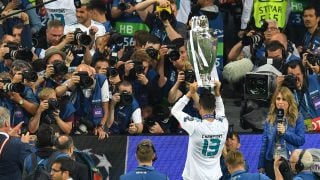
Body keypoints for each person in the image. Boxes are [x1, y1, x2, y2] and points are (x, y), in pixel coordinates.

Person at [171, 80, 229, 180]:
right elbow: (220, 110)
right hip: (214, 177)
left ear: (200, 107)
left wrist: (190, 92)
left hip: (194, 177)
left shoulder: (194, 125)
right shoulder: (223, 124)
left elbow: (175, 110)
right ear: (214, 107)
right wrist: (217, 93)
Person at [258, 86, 306, 179]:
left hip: (289, 162)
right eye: (278, 99)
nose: (280, 102)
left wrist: (285, 133)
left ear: (289, 101)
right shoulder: (270, 119)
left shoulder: (297, 118)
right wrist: (261, 165)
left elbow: (301, 140)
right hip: (271, 162)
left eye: (284, 99)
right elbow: (264, 143)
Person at [0, 106, 32, 180]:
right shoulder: (18, 145)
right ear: (7, 123)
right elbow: (30, 166)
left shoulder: (14, 143)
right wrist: (25, 144)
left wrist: (8, 135)